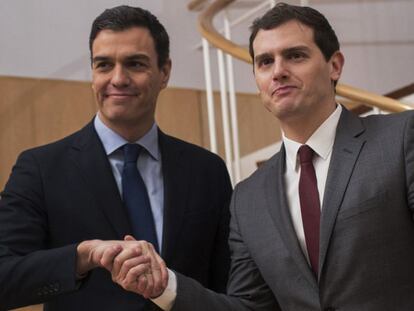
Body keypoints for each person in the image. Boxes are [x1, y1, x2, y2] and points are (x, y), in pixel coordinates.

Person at [108, 3, 414, 311]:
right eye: (265, 62)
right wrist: (166, 287)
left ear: (334, 65)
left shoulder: (400, 139)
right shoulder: (247, 199)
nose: (279, 71)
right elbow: (250, 307)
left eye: (295, 55)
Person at [0, 5, 232, 311]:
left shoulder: (208, 171)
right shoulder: (41, 169)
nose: (118, 78)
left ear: (165, 72)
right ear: (93, 74)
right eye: (104, 65)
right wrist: (83, 256)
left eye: (135, 64)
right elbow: (5, 278)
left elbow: (227, 286)